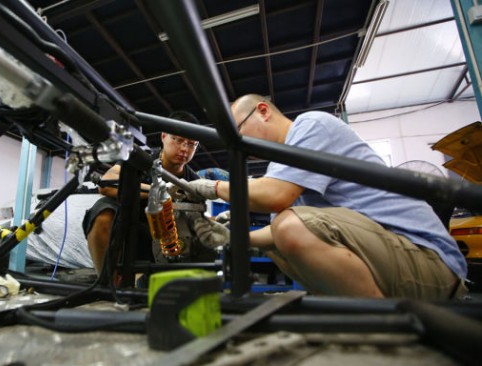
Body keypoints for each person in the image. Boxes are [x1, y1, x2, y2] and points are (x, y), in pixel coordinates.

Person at [184, 94, 468, 300]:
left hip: (429, 262)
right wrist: (232, 236)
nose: (240, 144)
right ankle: (363, 319)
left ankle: (380, 333)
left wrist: (213, 187)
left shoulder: (311, 126)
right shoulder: (282, 169)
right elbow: (274, 233)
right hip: (394, 260)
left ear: (263, 111)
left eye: (239, 132)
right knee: (283, 238)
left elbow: (275, 198)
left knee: (291, 226)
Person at [83, 111, 203, 275]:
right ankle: (107, 281)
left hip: (167, 239)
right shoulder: (141, 158)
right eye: (178, 140)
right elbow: (106, 184)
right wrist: (161, 190)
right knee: (103, 213)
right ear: (163, 136)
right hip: (131, 228)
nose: (184, 148)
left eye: (191, 144)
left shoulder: (192, 182)